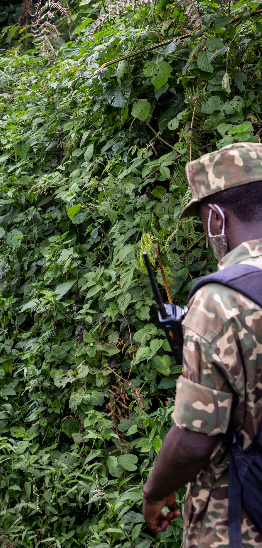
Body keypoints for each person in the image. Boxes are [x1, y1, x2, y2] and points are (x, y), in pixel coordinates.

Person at [142, 142, 262, 546]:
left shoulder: (220, 301)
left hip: (241, 519)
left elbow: (195, 441)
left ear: (215, 217)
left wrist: (154, 491)